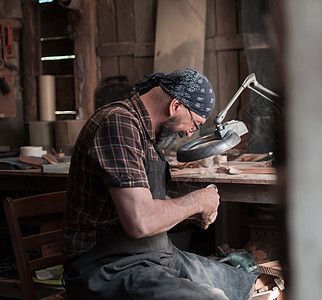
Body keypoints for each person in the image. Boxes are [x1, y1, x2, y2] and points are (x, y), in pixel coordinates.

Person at [62, 68, 257, 300]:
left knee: (242, 283)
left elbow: (146, 200)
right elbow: (141, 222)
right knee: (209, 298)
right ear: (175, 106)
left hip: (151, 255)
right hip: (106, 267)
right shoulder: (118, 123)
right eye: (194, 124)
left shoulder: (146, 134)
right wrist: (197, 201)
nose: (188, 134)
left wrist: (192, 212)